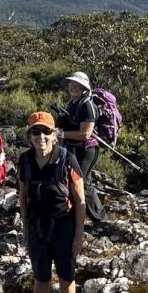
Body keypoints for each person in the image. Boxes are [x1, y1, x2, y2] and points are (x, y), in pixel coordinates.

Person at [17, 111, 85, 293]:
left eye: (46, 131)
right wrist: (26, 229)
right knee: (41, 276)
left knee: (66, 276)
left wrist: (78, 236)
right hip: (37, 225)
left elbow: (80, 201)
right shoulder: (25, 160)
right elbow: (23, 196)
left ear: (54, 135)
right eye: (36, 132)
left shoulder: (67, 159)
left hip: (64, 225)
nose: (41, 137)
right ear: (29, 136)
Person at [56, 71, 106, 222]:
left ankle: (99, 219)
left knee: (81, 182)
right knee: (76, 181)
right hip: (73, 149)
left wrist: (63, 134)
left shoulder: (88, 106)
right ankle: (86, 217)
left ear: (84, 87)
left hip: (86, 150)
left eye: (77, 85)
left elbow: (85, 134)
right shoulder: (72, 104)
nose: (73, 88)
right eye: (71, 85)